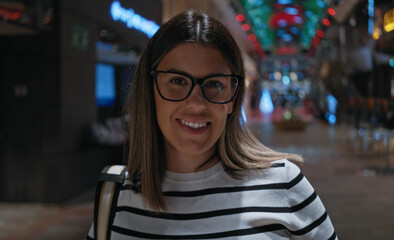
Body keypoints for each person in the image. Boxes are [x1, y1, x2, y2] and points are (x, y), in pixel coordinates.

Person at [86, 9, 337, 240]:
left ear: (233, 98)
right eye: (177, 81)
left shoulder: (283, 185)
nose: (196, 104)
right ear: (150, 92)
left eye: (214, 84)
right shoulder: (116, 199)